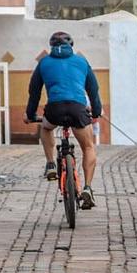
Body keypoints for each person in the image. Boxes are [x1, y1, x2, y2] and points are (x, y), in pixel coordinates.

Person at [25, 31, 102, 208]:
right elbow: (93, 90)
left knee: (46, 128)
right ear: (71, 45)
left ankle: (51, 164)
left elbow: (34, 92)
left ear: (51, 46)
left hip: (55, 109)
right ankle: (88, 188)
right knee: (88, 147)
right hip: (78, 109)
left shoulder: (44, 63)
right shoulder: (82, 61)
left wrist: (30, 115)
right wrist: (96, 112)